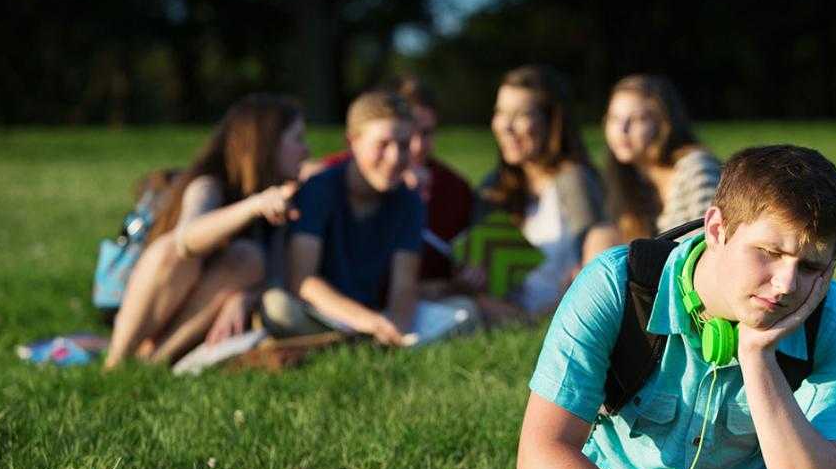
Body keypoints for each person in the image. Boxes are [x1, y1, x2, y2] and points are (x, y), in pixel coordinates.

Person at [489, 145, 836, 469]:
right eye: (769, 253)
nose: (786, 285)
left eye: (810, 267)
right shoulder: (617, 284)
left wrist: (758, 357)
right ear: (717, 229)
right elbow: (542, 452)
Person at [104, 94, 308, 369]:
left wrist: (245, 297)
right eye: (297, 139)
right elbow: (187, 240)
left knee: (248, 258)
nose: (306, 151)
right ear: (267, 144)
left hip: (198, 312)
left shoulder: (285, 194)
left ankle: (154, 362)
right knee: (172, 250)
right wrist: (254, 206)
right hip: (147, 304)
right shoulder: (209, 185)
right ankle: (115, 362)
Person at [262, 90, 423, 346]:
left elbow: (404, 285)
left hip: (374, 312)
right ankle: (352, 341)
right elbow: (303, 280)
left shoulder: (409, 201)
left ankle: (356, 342)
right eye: (383, 145)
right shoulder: (319, 190)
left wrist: (398, 326)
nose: (394, 158)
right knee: (278, 308)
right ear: (352, 142)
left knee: (463, 310)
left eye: (403, 146)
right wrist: (369, 322)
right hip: (324, 311)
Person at [300, 75, 474, 287]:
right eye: (413, 133)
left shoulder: (453, 189)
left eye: (426, 133)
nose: (417, 147)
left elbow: (457, 260)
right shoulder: (333, 175)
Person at [474, 65, 606, 318]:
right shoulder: (493, 187)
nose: (506, 127)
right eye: (500, 113)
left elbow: (595, 269)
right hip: (506, 313)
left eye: (520, 115)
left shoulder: (573, 180)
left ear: (551, 122)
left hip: (565, 311)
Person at [593, 75, 721, 246]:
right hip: (658, 270)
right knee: (601, 236)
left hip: (694, 268)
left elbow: (708, 242)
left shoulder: (696, 168)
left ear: (664, 124)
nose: (622, 130)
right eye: (614, 119)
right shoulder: (626, 179)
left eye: (638, 119)